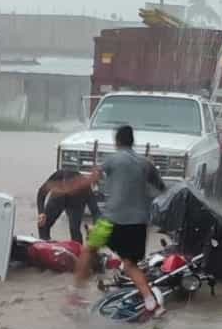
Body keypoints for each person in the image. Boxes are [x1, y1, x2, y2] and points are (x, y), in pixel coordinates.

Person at [49, 125, 166, 317]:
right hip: (138, 224)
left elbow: (90, 180)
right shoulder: (146, 163)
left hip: (112, 221)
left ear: (117, 142)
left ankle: (75, 295)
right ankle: (152, 303)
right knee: (130, 265)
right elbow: (160, 189)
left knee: (88, 250)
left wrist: (63, 189)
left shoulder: (112, 160)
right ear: (132, 142)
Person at [36, 169, 100, 243]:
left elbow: (95, 211)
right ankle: (44, 242)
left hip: (76, 203)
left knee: (74, 229)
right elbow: (42, 192)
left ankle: (78, 249)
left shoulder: (85, 188)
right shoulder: (59, 176)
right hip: (58, 198)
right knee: (43, 223)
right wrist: (41, 212)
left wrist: (95, 226)